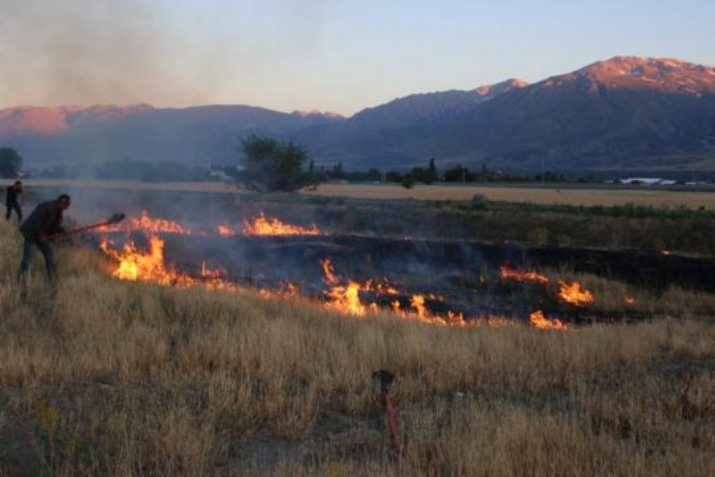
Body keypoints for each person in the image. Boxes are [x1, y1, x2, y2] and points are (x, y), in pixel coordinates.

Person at [18, 194, 71, 282]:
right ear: (61, 202)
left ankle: (52, 278)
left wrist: (62, 231)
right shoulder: (46, 207)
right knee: (28, 259)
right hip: (32, 235)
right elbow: (36, 223)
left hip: (42, 236)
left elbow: (55, 226)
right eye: (67, 204)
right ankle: (21, 279)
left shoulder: (59, 211)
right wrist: (41, 236)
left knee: (49, 254)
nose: (67, 207)